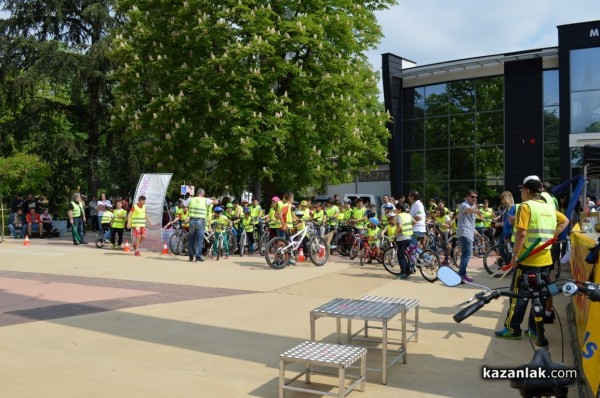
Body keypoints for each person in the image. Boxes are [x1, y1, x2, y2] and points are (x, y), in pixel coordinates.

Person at [495, 176, 569, 340]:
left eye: (522, 190)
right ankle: (535, 329)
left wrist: (514, 256)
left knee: (518, 296)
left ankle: (512, 329)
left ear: (527, 191)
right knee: (539, 296)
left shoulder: (526, 207)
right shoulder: (549, 207)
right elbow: (565, 220)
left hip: (526, 260)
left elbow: (521, 233)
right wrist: (551, 237)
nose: (521, 192)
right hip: (545, 260)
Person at [456, 189, 483, 282]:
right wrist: (477, 211)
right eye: (472, 197)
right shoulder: (464, 205)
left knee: (466, 254)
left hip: (469, 232)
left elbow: (470, 220)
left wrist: (474, 230)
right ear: (467, 197)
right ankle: (462, 274)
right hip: (464, 232)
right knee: (467, 254)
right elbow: (469, 211)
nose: (474, 198)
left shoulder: (473, 206)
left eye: (476, 197)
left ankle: (461, 274)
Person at [187, 189, 218, 262]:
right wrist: (216, 200)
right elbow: (215, 202)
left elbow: (182, 204)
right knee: (199, 240)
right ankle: (197, 256)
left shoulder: (191, 199)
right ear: (203, 194)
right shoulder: (205, 200)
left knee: (191, 239)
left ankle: (191, 255)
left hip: (191, 221)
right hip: (200, 221)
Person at [395, 203, 413, 279]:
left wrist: (395, 233)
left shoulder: (399, 216)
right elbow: (414, 222)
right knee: (404, 254)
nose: (395, 210)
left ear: (399, 209)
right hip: (409, 236)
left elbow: (399, 226)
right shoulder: (408, 215)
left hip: (402, 238)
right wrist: (409, 228)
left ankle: (403, 272)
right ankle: (408, 270)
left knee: (400, 255)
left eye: (396, 209)